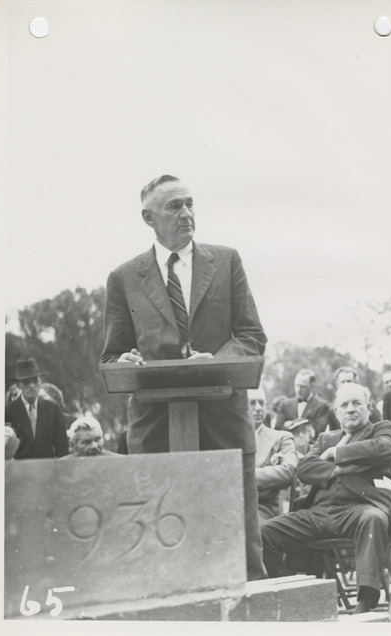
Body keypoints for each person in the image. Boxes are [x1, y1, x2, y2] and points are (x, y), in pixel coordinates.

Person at [100, 174, 268, 580]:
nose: (187, 213)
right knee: (163, 555)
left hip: (223, 423)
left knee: (238, 555)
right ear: (148, 218)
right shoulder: (124, 278)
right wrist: (127, 359)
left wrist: (218, 361)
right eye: (175, 206)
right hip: (156, 429)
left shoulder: (226, 261)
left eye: (190, 203)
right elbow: (112, 354)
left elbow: (251, 336)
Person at [260, 383, 391, 614]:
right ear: (336, 412)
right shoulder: (326, 438)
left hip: (360, 508)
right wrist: (337, 470)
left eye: (357, 403)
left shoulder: (382, 429)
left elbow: (386, 447)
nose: (351, 409)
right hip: (318, 513)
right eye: (344, 405)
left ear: (369, 407)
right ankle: (294, 593)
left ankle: (366, 600)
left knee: (374, 518)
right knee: (262, 533)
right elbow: (304, 468)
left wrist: (337, 454)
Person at [249, 388, 298, 521]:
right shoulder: (227, 439)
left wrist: (242, 477)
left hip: (262, 512)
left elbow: (289, 471)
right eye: (252, 403)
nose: (258, 408)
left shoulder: (282, 437)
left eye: (261, 403)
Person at [5, 358, 69, 460]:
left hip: (48, 470)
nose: (31, 386)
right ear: (18, 385)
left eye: (35, 381)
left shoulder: (53, 409)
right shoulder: (8, 411)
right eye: (26, 382)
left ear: (40, 382)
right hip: (19, 472)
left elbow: (62, 448)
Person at [274, 369, 335, 437]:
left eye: (303, 386)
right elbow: (277, 430)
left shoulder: (322, 406)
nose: (298, 390)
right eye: (296, 385)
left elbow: (318, 432)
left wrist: (290, 425)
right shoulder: (285, 404)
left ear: (312, 386)